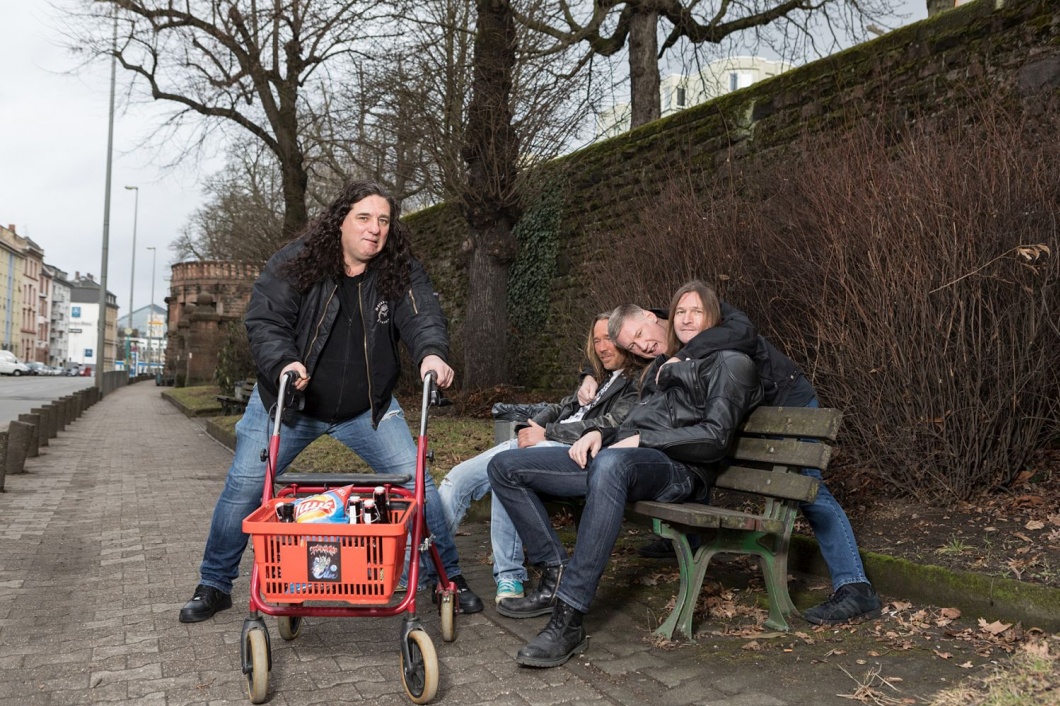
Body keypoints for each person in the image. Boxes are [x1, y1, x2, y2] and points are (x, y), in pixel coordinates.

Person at [179, 180, 483, 623]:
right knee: (245, 486)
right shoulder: (296, 262)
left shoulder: (399, 269)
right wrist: (285, 363)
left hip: (367, 410)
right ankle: (214, 583)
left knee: (419, 484)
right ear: (340, 220)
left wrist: (432, 354)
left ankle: (446, 578)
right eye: (364, 217)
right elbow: (266, 321)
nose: (375, 228)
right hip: (290, 405)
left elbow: (423, 317)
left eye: (383, 220)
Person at [486, 291, 763, 668]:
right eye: (680, 311)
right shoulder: (661, 365)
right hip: (627, 459)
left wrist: (642, 441)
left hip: (678, 470)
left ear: (714, 316)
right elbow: (633, 422)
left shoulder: (731, 362)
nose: (685, 318)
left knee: (611, 465)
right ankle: (554, 571)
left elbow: (714, 439)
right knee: (505, 466)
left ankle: (568, 617)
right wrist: (601, 434)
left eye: (695, 311)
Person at [596, 280, 881, 627]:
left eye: (641, 334)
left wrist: (683, 355)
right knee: (697, 456)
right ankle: (687, 537)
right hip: (743, 413)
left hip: (785, 402)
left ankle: (855, 586)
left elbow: (743, 333)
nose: (642, 346)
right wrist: (589, 378)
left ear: (649, 316)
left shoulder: (703, 315)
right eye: (633, 346)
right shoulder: (666, 340)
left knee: (807, 489)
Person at [438, 313, 640, 603]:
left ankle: (509, 575)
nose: (601, 347)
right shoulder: (600, 378)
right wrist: (533, 426)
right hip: (545, 442)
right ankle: (430, 566)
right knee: (456, 478)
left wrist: (547, 434)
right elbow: (561, 407)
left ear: (626, 336)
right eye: (596, 341)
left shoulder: (635, 382)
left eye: (608, 338)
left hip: (573, 452)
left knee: (507, 471)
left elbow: (611, 425)